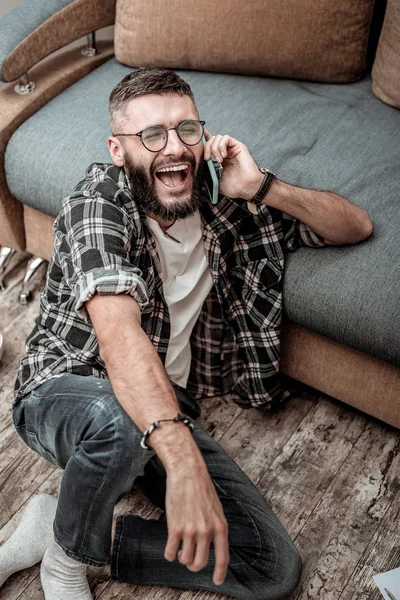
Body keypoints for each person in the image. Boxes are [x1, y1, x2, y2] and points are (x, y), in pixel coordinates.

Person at [5, 67, 372, 600]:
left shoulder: (224, 201)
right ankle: (64, 565)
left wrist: (263, 186)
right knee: (117, 416)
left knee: (271, 567)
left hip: (165, 405)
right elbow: (118, 338)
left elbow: (354, 227)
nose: (173, 148)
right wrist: (183, 462)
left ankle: (62, 528)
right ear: (117, 148)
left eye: (187, 130)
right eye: (151, 135)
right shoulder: (99, 201)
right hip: (67, 390)